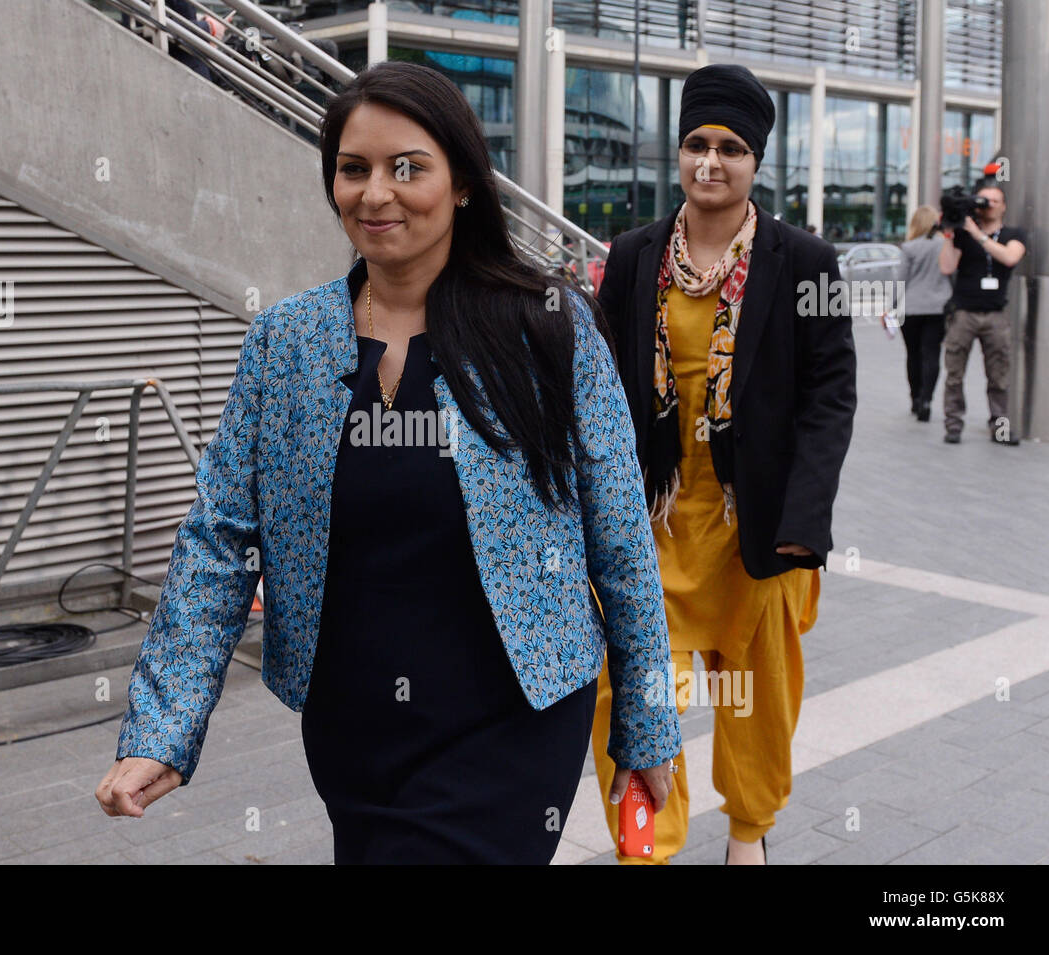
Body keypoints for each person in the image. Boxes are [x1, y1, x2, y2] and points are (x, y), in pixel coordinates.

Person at [95, 60, 681, 864]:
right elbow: (220, 539)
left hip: (514, 713)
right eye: (354, 168)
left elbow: (619, 538)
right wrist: (163, 727)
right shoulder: (287, 342)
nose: (377, 193)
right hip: (356, 720)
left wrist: (645, 723)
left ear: (464, 184)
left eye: (408, 168)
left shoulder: (548, 328)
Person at [593, 63, 856, 865]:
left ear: (756, 161)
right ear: (679, 153)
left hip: (760, 523)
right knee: (632, 692)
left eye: (731, 148)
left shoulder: (806, 260)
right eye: (696, 144)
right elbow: (601, 388)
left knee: (759, 696)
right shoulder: (635, 257)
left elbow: (830, 396)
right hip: (657, 520)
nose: (711, 161)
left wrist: (805, 524)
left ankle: (748, 835)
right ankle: (648, 847)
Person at [938, 179, 1027, 444]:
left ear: (1003, 207)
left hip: (996, 314)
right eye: (982, 200)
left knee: (999, 376)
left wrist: (978, 235)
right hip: (963, 312)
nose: (986, 206)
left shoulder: (1014, 234)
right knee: (954, 374)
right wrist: (950, 233)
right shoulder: (962, 234)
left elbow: (1010, 257)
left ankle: (999, 428)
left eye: (993, 202)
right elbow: (946, 267)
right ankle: (953, 426)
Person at [896, 205, 953, 421]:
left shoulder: (909, 248)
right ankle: (927, 399)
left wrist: (891, 307)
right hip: (938, 308)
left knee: (913, 354)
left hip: (911, 308)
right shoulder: (945, 246)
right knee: (931, 354)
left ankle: (915, 398)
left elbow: (901, 281)